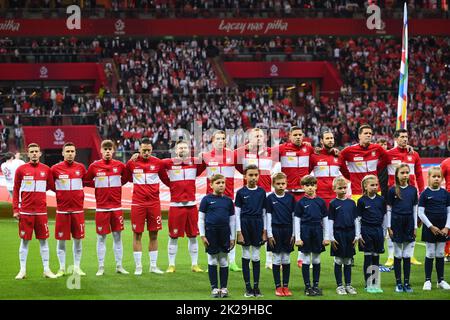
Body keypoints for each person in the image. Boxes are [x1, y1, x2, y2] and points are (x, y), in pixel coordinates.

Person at [84, 140, 129, 276]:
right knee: (101, 238)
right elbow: (86, 181)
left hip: (116, 208)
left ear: (113, 151)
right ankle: (101, 267)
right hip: (102, 208)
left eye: (110, 149)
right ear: (101, 151)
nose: (108, 151)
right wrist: (98, 186)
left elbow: (126, 178)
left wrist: (116, 186)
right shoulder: (94, 166)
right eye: (105, 149)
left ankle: (119, 266)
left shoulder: (120, 166)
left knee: (117, 237)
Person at [125, 138, 168, 275]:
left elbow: (165, 179)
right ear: (139, 149)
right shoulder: (132, 163)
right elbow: (126, 177)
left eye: (149, 150)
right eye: (144, 150)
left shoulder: (158, 163)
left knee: (154, 234)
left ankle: (153, 266)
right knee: (137, 234)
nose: (146, 152)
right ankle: (138, 266)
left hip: (154, 203)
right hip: (138, 203)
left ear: (152, 149)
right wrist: (129, 161)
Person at [160, 140, 205, 273]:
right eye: (180, 148)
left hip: (191, 205)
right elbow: (157, 167)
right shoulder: (168, 163)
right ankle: (171, 265)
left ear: (189, 150)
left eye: (185, 148)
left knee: (193, 236)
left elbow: (204, 164)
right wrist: (171, 184)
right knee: (173, 236)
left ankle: (194, 264)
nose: (183, 150)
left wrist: (203, 155)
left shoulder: (195, 163)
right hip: (175, 206)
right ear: (175, 150)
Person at [13, 143, 56, 279]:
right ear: (28, 153)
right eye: (31, 152)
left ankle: (46, 269)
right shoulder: (21, 170)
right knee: (24, 241)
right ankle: (22, 270)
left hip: (41, 212)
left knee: (44, 241)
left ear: (40, 153)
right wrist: (16, 209)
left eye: (36, 151)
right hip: (25, 212)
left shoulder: (46, 170)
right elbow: (15, 190)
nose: (34, 154)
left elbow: (51, 186)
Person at [234, 128, 276, 270]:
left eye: (261, 136)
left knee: (269, 227)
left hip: (268, 194)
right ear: (249, 138)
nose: (258, 138)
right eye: (255, 136)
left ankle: (269, 260)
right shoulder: (242, 153)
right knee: (246, 224)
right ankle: (245, 257)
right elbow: (232, 158)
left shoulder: (271, 152)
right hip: (249, 195)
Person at [202, 130, 241, 272]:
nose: (220, 141)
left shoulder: (233, 155)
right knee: (210, 230)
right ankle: (211, 260)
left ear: (226, 141)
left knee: (231, 230)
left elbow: (244, 167)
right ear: (212, 141)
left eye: (223, 138)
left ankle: (232, 262)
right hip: (210, 200)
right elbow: (193, 168)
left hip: (228, 199)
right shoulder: (205, 156)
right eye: (217, 138)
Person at [386, 129, 425, 266]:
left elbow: (419, 175)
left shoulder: (414, 154)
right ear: (396, 138)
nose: (405, 139)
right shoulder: (388, 154)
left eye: (406, 137)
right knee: (391, 224)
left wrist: (422, 192)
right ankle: (391, 256)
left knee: (412, 223)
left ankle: (411, 255)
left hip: (411, 194)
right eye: (402, 137)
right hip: (394, 194)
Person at [51, 142, 87, 277]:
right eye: (68, 151)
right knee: (61, 240)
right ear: (63, 153)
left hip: (78, 211)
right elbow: (49, 184)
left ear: (75, 153)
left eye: (72, 151)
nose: (70, 153)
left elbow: (88, 182)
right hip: (62, 211)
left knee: (78, 239)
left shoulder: (81, 168)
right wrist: (61, 195)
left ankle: (77, 267)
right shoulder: (55, 169)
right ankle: (61, 268)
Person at [198, 174, 236, 298]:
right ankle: (214, 288)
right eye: (218, 183)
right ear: (211, 185)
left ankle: (224, 288)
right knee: (213, 259)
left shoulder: (228, 201)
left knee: (224, 260)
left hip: (224, 233)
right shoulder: (206, 200)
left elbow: (232, 220)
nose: (221, 185)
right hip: (211, 233)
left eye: (223, 183)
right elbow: (201, 219)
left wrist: (232, 237)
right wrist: (203, 235)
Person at [294, 175, 330, 296]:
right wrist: (298, 237)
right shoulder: (300, 203)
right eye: (307, 185)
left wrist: (326, 237)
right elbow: (297, 220)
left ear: (316, 186)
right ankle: (307, 286)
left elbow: (325, 220)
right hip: (305, 231)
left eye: (312, 185)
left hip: (317, 231)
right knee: (305, 259)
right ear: (303, 187)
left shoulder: (321, 202)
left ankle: (315, 285)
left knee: (316, 259)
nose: (310, 188)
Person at [235, 165, 267, 298]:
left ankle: (256, 287)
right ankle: (248, 287)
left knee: (256, 255)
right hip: (245, 224)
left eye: (255, 175)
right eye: (250, 175)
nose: (253, 178)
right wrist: (239, 232)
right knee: (246, 254)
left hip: (258, 224)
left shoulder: (261, 192)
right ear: (245, 176)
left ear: (258, 176)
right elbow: (237, 214)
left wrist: (264, 230)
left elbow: (264, 212)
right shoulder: (241, 192)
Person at [386, 164, 418, 293]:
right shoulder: (392, 190)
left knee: (407, 254)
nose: (405, 175)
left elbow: (415, 209)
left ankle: (407, 283)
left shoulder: (413, 190)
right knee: (398, 254)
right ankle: (398, 283)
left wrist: (415, 226)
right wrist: (389, 226)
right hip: (396, 222)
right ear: (397, 175)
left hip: (409, 222)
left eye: (407, 173)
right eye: (402, 173)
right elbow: (389, 209)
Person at [417, 167, 450, 290]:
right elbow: (420, 213)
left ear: (442, 179)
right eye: (434, 176)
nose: (437, 179)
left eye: (439, 177)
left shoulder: (445, 194)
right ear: (428, 178)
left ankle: (441, 281)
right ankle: (427, 281)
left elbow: (449, 212)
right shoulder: (425, 194)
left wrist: (447, 227)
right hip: (430, 229)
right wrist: (430, 226)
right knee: (430, 253)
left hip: (443, 229)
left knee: (440, 253)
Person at [338, 124, 390, 202]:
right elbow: (339, 160)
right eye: (366, 133)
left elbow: (387, 158)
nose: (368, 135)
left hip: (375, 190)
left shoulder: (377, 148)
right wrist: (349, 176)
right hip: (357, 191)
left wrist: (376, 169)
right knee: (359, 214)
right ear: (359, 136)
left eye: (370, 134)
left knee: (377, 213)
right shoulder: (349, 150)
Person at [355, 175, 388, 293]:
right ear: (365, 186)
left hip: (378, 231)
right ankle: (368, 284)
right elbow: (358, 219)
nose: (375, 187)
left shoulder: (381, 200)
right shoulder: (361, 201)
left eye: (376, 185)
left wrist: (384, 232)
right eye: (372, 185)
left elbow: (385, 217)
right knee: (368, 257)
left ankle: (376, 283)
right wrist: (358, 235)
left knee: (376, 257)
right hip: (366, 231)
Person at [266, 172, 295, 297]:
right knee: (277, 258)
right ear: (273, 184)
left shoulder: (290, 198)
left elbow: (294, 217)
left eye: (283, 183)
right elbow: (268, 216)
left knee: (286, 258)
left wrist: (294, 233)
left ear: (286, 184)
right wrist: (269, 234)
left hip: (288, 230)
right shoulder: (270, 199)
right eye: (278, 184)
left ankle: (286, 286)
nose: (281, 186)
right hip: (275, 230)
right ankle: (278, 287)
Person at [328, 177, 358, 295]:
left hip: (350, 234)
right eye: (340, 188)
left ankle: (349, 285)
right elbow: (330, 221)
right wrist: (331, 237)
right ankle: (340, 286)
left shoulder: (351, 203)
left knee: (348, 260)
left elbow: (356, 220)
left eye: (345, 187)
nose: (343, 190)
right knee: (339, 260)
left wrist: (357, 235)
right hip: (338, 234)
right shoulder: (333, 203)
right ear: (334, 189)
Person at [310, 128, 343, 208]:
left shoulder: (339, 156)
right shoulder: (314, 156)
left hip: (336, 195)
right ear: (321, 141)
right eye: (327, 138)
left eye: (331, 138)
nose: (330, 140)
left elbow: (346, 173)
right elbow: (306, 173)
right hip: (319, 195)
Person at [440, 157, 450, 262]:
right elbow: (437, 178)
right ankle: (448, 252)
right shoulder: (445, 163)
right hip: (449, 197)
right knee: (448, 226)